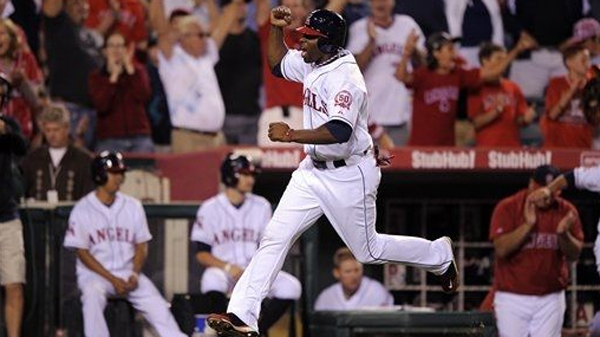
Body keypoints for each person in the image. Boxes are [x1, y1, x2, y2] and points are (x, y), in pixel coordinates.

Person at [206, 8, 458, 337]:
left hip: (350, 174)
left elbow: (339, 130)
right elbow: (277, 64)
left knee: (368, 251)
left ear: (327, 44)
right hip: (312, 171)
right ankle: (243, 315)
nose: (303, 41)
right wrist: (275, 30)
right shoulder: (316, 58)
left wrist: (292, 134)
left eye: (309, 38)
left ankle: (438, 254)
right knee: (274, 237)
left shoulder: (347, 78)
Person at [63, 151, 185, 337]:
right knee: (92, 295)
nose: (120, 177)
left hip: (129, 273)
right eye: (115, 172)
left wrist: (135, 274)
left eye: (121, 172)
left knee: (158, 306)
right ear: (100, 175)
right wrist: (112, 279)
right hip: (96, 275)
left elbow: (141, 245)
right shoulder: (82, 209)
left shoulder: (133, 206)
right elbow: (82, 252)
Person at [192, 153, 301, 334]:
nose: (250, 179)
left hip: (254, 270)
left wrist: (257, 269)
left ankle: (254, 330)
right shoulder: (209, 208)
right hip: (224, 271)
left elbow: (268, 245)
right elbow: (201, 253)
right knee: (211, 279)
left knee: (291, 287)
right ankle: (225, 332)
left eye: (251, 175)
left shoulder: (261, 205)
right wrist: (228, 267)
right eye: (244, 174)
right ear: (230, 175)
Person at [396, 30, 536, 146]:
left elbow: (492, 72)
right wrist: (407, 53)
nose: (454, 54)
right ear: (437, 53)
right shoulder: (423, 74)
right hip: (421, 146)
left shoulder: (458, 74)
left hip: (447, 146)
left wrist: (517, 50)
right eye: (449, 49)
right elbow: (401, 76)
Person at [491, 164, 584, 337]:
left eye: (550, 191)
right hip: (512, 297)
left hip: (551, 297)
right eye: (541, 189)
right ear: (531, 185)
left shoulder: (566, 211)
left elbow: (575, 254)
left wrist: (563, 234)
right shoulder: (509, 207)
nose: (545, 196)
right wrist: (528, 225)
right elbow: (501, 249)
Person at [346, 0, 425, 146]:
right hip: (370, 115)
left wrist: (413, 51)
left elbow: (425, 63)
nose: (379, 3)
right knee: (369, 166)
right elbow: (353, 69)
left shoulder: (407, 24)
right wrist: (371, 42)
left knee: (400, 165)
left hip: (401, 111)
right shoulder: (359, 27)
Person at [88, 32, 154, 153]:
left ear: (126, 49)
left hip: (139, 137)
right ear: (105, 50)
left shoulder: (138, 71)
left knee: (144, 171)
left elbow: (144, 95)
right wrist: (113, 77)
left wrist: (129, 69)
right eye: (112, 45)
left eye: (120, 45)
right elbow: (101, 105)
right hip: (110, 139)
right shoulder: (96, 77)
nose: (116, 49)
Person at [21, 104, 94, 201]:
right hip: (37, 215)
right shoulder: (33, 158)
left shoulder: (83, 160)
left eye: (56, 129)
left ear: (67, 128)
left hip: (71, 214)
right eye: (48, 130)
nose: (52, 135)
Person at [467, 42, 535, 147]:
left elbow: (518, 120)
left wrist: (526, 119)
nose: (504, 63)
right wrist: (496, 111)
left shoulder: (513, 87)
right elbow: (475, 123)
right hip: (487, 150)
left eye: (505, 58)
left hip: (512, 150)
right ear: (485, 61)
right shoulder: (476, 87)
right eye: (499, 58)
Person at [0, 73, 26, 337]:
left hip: (6, 217)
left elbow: (21, 147)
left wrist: (5, 131)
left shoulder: (8, 125)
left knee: (14, 284)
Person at [542, 45, 595, 148]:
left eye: (589, 60)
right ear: (569, 62)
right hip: (557, 149)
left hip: (583, 148)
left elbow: (595, 121)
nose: (588, 64)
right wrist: (571, 91)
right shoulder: (556, 83)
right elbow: (552, 115)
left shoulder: (593, 86)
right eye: (583, 60)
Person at [314, 247, 393, 311]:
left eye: (356, 270)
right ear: (337, 273)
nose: (354, 276)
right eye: (348, 271)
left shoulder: (376, 291)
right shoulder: (326, 297)